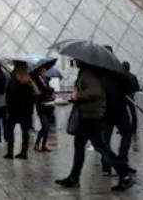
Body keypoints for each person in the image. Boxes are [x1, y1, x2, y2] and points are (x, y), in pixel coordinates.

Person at [55, 62, 133, 192]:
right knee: (79, 146)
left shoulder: (88, 73)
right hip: (87, 115)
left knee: (101, 147)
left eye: (76, 59)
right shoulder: (89, 72)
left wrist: (77, 95)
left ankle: (124, 175)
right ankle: (74, 177)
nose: (74, 61)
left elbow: (95, 91)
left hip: (90, 116)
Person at [100, 48, 137, 177]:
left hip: (103, 110)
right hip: (119, 109)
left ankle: (106, 167)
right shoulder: (119, 69)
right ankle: (122, 162)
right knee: (126, 135)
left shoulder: (96, 70)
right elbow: (129, 87)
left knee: (105, 140)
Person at [4, 62, 38, 159]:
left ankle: (10, 152)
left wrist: (8, 107)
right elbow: (36, 94)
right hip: (26, 109)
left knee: (10, 130)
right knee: (25, 131)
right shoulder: (28, 79)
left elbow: (9, 94)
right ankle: (24, 152)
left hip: (14, 109)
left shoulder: (14, 80)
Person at [32, 64, 54, 152]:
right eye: (43, 71)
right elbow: (42, 90)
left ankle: (44, 144)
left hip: (48, 105)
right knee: (45, 126)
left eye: (45, 71)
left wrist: (51, 95)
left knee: (47, 127)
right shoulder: (37, 80)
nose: (45, 72)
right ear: (39, 72)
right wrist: (50, 89)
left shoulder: (46, 80)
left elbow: (48, 91)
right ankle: (37, 144)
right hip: (41, 106)